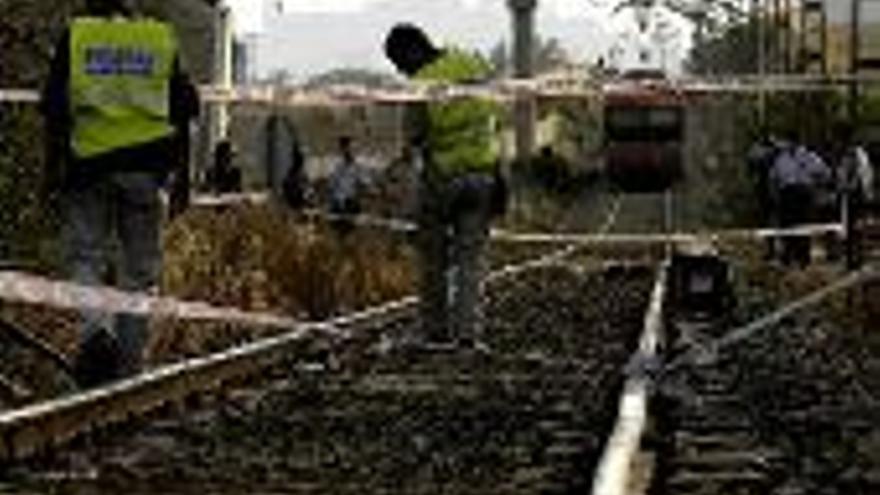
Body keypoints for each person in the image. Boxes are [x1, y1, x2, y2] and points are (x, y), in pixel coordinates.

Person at [42, 0, 199, 387]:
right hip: (146, 171)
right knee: (140, 272)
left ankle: (97, 332)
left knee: (85, 258)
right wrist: (184, 179)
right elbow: (185, 112)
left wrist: (50, 171)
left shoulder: (77, 35)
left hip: (88, 166)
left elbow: (55, 112)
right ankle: (128, 371)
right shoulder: (158, 37)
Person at [384, 23, 504, 349]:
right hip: (482, 174)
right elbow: (498, 115)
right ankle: (468, 334)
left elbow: (415, 138)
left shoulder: (421, 85)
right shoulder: (471, 63)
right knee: (471, 260)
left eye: (400, 63)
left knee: (433, 258)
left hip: (443, 179)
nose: (402, 71)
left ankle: (434, 331)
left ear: (413, 50)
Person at [770, 137, 831, 267]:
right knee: (786, 227)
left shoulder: (809, 156)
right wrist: (776, 194)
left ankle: (803, 259)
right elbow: (773, 177)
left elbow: (825, 173)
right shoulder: (781, 158)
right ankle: (787, 257)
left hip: (803, 194)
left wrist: (815, 186)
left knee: (803, 227)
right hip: (786, 194)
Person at [835, 124, 875, 268]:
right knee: (849, 228)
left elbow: (865, 175)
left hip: (856, 196)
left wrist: (866, 193)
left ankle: (857, 258)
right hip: (847, 195)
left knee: (856, 228)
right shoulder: (844, 154)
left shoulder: (858, 154)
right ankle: (851, 258)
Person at [747, 133, 781, 260]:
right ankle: (771, 249)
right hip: (765, 189)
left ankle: (778, 249)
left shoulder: (778, 150)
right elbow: (752, 163)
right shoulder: (758, 151)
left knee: (781, 220)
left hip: (778, 188)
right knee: (767, 221)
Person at [327, 136, 370, 232]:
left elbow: (365, 183)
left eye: (349, 148)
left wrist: (361, 191)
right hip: (337, 204)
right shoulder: (336, 165)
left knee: (350, 230)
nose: (347, 151)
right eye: (344, 148)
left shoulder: (358, 167)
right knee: (337, 229)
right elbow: (331, 185)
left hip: (350, 203)